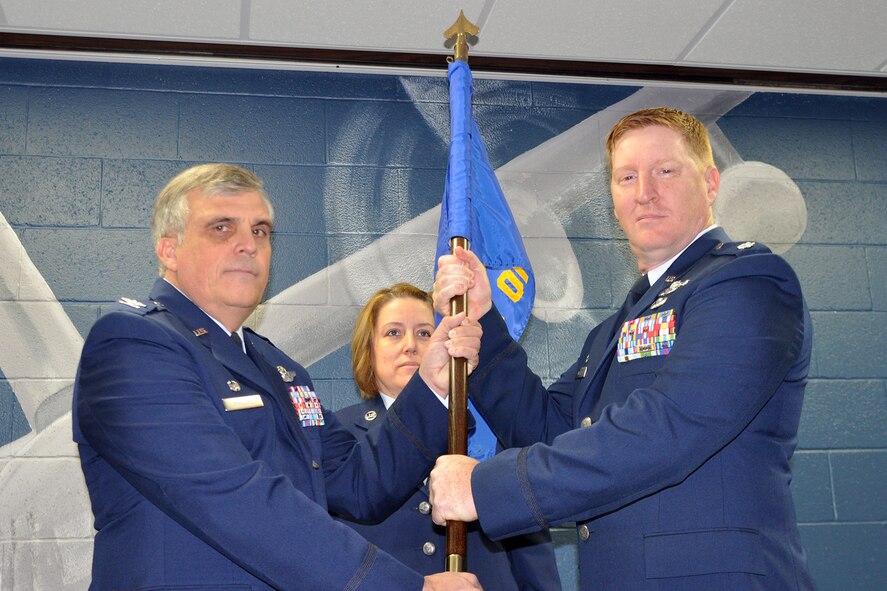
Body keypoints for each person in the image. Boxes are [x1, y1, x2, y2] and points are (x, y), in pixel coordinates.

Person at [428, 107, 816, 590]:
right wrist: (485, 326)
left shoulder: (747, 280)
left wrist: (485, 489)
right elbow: (550, 431)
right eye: (626, 176)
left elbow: (669, 427)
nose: (644, 192)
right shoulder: (614, 329)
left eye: (665, 171)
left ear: (711, 183)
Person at [72, 163, 484, 591]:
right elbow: (235, 499)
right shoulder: (133, 343)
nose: (247, 245)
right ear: (169, 250)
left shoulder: (275, 367)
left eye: (260, 231)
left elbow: (356, 482)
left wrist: (433, 385)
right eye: (221, 228)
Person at [334, 283, 562, 590]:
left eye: (425, 333)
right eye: (393, 333)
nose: (411, 346)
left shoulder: (492, 432)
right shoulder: (340, 440)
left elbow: (529, 551)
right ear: (368, 351)